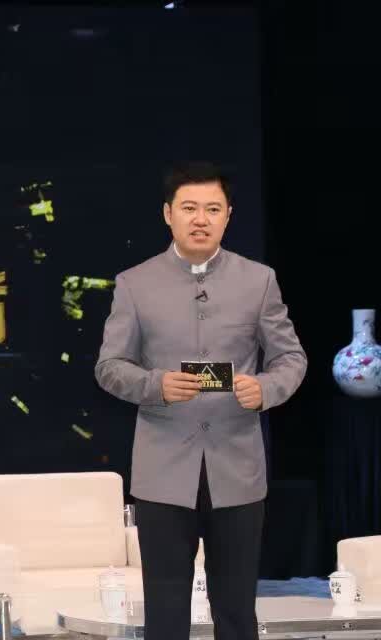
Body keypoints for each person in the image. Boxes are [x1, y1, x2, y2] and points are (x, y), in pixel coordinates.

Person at [94, 162, 307, 639]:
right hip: (164, 470)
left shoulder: (259, 280)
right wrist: (156, 385)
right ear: (168, 214)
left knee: (236, 610)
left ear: (228, 216)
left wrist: (266, 389)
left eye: (213, 209)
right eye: (189, 208)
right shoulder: (135, 283)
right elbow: (109, 366)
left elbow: (291, 358)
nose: (200, 219)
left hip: (238, 468)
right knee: (165, 611)